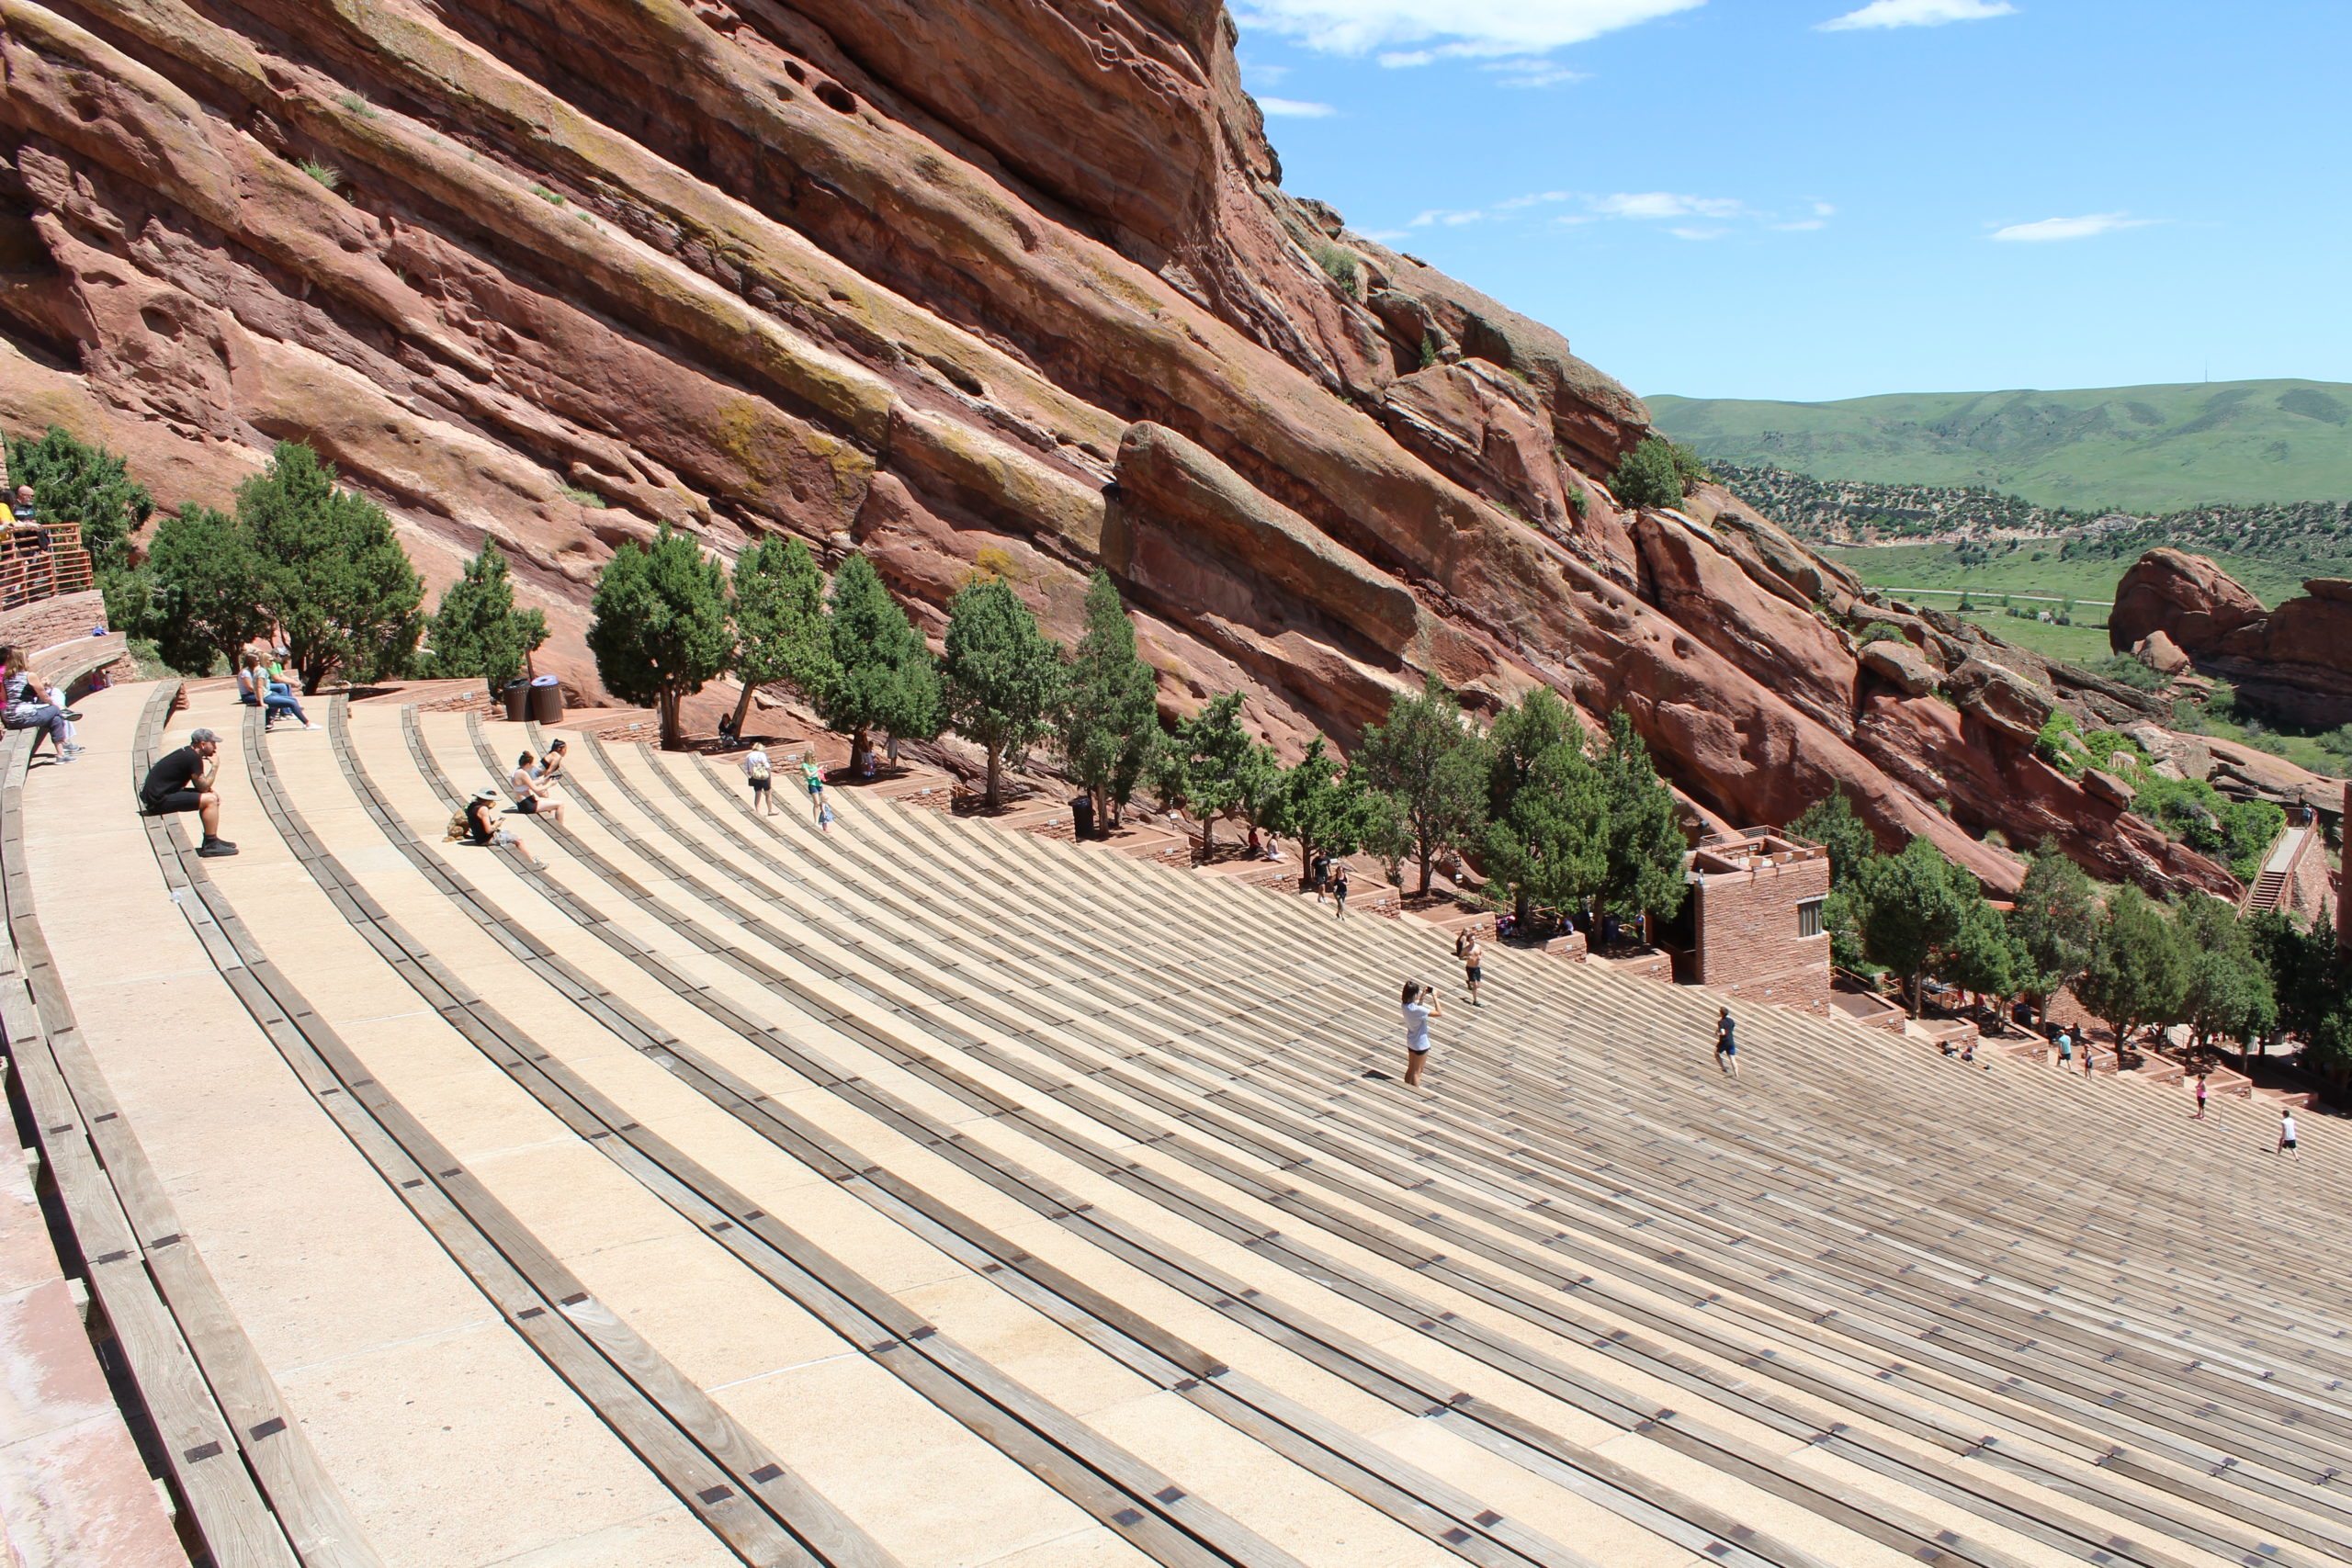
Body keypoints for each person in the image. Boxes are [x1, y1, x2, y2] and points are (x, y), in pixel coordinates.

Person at [140, 728, 235, 856]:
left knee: (211, 796)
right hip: (157, 801)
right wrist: (215, 766)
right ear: (202, 744)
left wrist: (209, 790)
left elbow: (203, 787)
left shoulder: (188, 753)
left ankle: (212, 839)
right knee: (210, 800)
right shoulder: (193, 758)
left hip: (158, 796)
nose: (215, 748)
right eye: (212, 743)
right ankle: (211, 844)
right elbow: (203, 787)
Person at [2, 648, 78, 762]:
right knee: (54, 709)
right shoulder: (29, 675)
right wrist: (56, 706)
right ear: (22, 660)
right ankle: (63, 712)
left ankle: (61, 755)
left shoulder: (6, 677)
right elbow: (44, 697)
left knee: (55, 719)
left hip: (10, 718)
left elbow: (4, 698)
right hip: (23, 716)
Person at [1400, 980, 1441, 1089]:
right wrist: (1435, 997)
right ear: (1414, 995)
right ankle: (1415, 1092)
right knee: (1418, 1072)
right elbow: (1439, 1013)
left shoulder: (1405, 1006)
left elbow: (1418, 1010)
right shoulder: (1417, 1010)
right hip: (1421, 1044)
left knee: (1411, 1068)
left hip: (1411, 1042)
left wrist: (1422, 997)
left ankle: (1406, 1088)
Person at [506, 751, 565, 824]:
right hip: (528, 805)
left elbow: (530, 784)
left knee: (549, 801)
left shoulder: (517, 771)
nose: (533, 766)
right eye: (532, 764)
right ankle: (560, 827)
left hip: (524, 803)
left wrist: (544, 779)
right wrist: (550, 784)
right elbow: (536, 789)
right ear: (528, 764)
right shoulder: (523, 773)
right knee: (560, 804)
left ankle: (552, 823)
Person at [741, 743, 775, 815]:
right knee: (768, 793)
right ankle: (770, 810)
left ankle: (758, 811)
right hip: (764, 776)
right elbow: (767, 766)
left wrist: (752, 774)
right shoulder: (761, 755)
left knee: (757, 793)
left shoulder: (748, 756)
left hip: (754, 776)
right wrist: (769, 775)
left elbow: (747, 769)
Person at [1456, 929, 1485, 1007]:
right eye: (1472, 940)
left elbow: (1482, 953)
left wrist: (1480, 957)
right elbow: (1460, 957)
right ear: (1469, 941)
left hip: (1477, 968)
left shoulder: (1478, 947)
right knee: (1475, 985)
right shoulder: (1466, 949)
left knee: (1478, 985)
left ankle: (1469, 982)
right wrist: (1466, 958)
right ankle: (1475, 1001)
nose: (1474, 941)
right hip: (1470, 968)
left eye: (1474, 939)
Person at [801, 751, 825, 826]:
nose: (814, 758)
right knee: (817, 803)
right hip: (812, 784)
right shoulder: (805, 765)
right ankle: (815, 821)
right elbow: (809, 775)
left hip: (819, 784)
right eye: (812, 757)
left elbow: (817, 773)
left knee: (823, 803)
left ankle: (823, 820)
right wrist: (818, 770)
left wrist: (821, 772)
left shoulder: (814, 764)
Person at [1715, 1008, 1739, 1077]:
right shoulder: (1731, 1021)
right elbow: (1732, 1028)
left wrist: (1718, 1033)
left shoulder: (1721, 1022)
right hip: (1731, 1041)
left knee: (1716, 1053)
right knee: (1732, 1059)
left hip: (1724, 1041)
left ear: (1721, 1013)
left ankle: (1723, 1068)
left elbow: (1722, 1032)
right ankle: (1736, 1074)